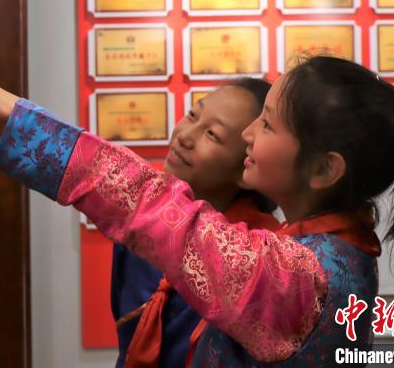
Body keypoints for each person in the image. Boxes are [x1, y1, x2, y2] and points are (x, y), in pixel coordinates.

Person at [0, 39, 394, 367]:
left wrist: (9, 111)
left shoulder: (298, 279)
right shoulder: (322, 256)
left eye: (267, 125)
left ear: (324, 169)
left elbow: (147, 204)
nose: (249, 134)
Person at [112, 79, 278, 368]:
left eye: (212, 134)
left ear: (247, 163)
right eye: (192, 115)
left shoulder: (261, 255)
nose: (185, 136)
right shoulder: (141, 225)